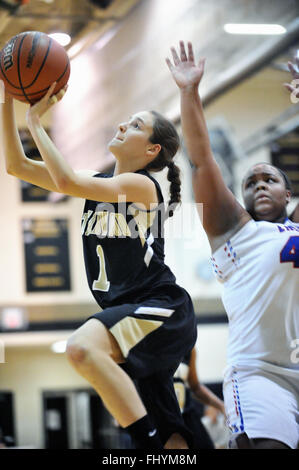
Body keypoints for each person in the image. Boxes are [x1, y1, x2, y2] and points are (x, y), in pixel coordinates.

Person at [1, 82, 198, 449]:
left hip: (160, 306)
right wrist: (6, 100)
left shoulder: (143, 187)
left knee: (81, 348)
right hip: (126, 310)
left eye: (135, 125)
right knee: (173, 437)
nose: (122, 126)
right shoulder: (99, 185)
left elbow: (64, 180)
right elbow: (16, 166)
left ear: (152, 149)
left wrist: (33, 121)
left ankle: (145, 446)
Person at [166, 41, 299, 449]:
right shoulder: (234, 231)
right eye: (250, 182)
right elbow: (202, 159)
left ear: (288, 193)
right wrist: (189, 92)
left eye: (269, 180)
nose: (259, 184)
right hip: (260, 373)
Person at [173, 346, 225, 449]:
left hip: (186, 416)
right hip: (161, 418)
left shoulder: (188, 346)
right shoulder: (147, 343)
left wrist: (222, 407)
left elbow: (196, 387)